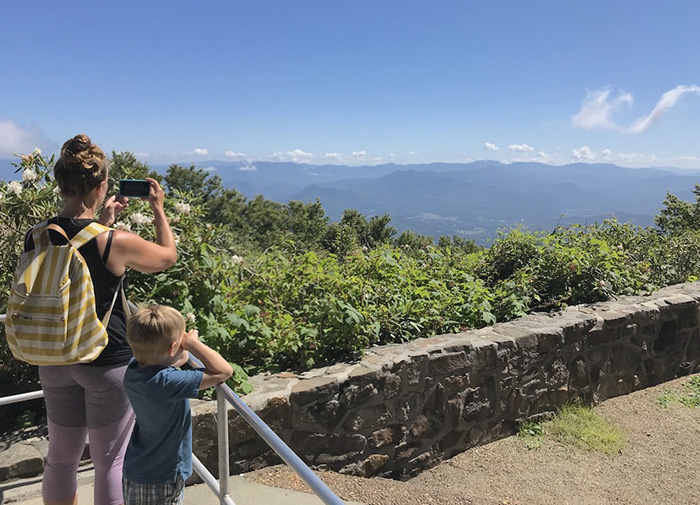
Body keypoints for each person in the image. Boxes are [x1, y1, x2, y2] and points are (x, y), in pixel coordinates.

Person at [29, 134, 178, 505]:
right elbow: (166, 257)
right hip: (104, 358)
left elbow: (71, 253)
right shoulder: (113, 240)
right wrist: (158, 208)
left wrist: (103, 220)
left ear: (61, 184)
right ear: (101, 186)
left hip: (53, 354)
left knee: (61, 458)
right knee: (109, 461)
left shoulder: (37, 235)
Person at [121, 305, 233, 505]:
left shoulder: (133, 370)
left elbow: (158, 358)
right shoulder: (168, 382)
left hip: (137, 469)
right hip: (163, 475)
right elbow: (224, 371)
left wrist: (178, 347)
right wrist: (193, 345)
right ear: (174, 347)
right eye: (182, 342)